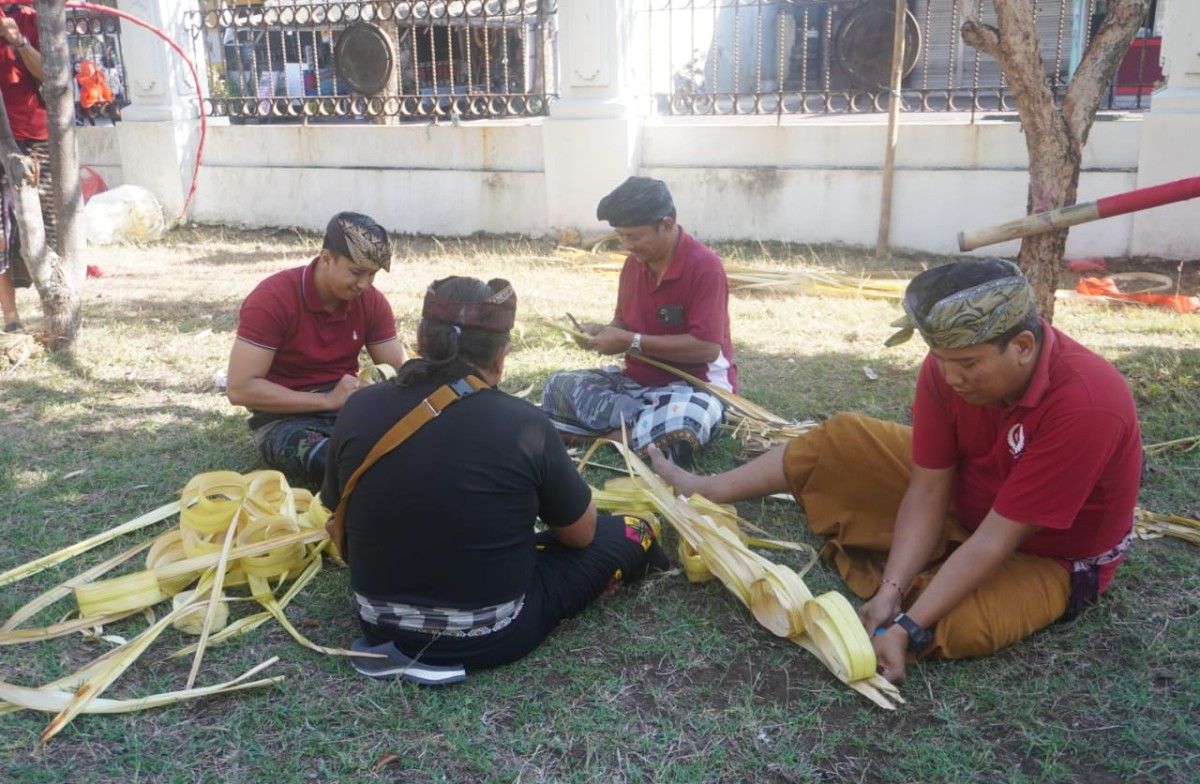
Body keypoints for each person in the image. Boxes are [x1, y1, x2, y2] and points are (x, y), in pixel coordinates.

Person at [648, 259, 1142, 684]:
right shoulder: (947, 368)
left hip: (1044, 554)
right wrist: (892, 589)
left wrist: (908, 626)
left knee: (954, 625)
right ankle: (707, 488)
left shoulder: (1087, 404)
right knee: (841, 440)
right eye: (942, 361)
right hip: (967, 499)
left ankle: (919, 590)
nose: (951, 378)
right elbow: (929, 485)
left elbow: (996, 539)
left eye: (968, 363)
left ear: (1024, 346)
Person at [323, 275, 668, 681]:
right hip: (492, 635)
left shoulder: (358, 407)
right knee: (632, 530)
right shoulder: (525, 424)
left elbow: (335, 512)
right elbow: (580, 535)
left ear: (418, 338)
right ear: (501, 355)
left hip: (378, 622)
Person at [541, 176, 737, 467]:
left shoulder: (705, 267)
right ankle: (636, 436)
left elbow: (707, 349)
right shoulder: (633, 265)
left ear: (667, 225)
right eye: (621, 235)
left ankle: (601, 435)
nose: (626, 245)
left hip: (692, 386)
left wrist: (630, 342)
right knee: (558, 387)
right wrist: (600, 332)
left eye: (634, 236)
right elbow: (623, 322)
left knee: (689, 416)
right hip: (635, 386)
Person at [226, 211, 407, 486]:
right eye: (356, 272)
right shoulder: (273, 298)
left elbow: (399, 368)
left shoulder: (371, 301)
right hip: (284, 420)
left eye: (372, 275)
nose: (364, 285)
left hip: (349, 409)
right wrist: (326, 401)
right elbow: (240, 389)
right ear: (325, 258)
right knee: (332, 461)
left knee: (413, 440)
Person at [0, 5, 52, 334]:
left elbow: (51, 74)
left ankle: (55, 311)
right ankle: (11, 318)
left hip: (33, 137)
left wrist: (18, 42)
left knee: (48, 228)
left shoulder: (30, 14)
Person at [74, 59, 119, 125]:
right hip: (90, 98)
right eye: (76, 67)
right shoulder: (79, 77)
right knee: (89, 113)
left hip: (99, 97)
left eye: (79, 66)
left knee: (111, 111)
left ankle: (115, 121)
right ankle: (89, 123)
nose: (78, 68)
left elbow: (103, 85)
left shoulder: (98, 75)